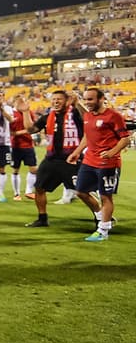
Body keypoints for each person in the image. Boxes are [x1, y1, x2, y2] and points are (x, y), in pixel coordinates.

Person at [24, 89, 101, 229]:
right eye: (53, 99)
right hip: (52, 159)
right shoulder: (48, 117)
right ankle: (42, 218)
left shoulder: (75, 114)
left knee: (82, 192)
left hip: (71, 159)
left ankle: (101, 218)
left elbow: (89, 119)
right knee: (39, 188)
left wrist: (77, 103)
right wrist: (25, 112)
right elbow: (31, 129)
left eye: (59, 99)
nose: (55, 102)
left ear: (66, 101)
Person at [67, 86, 131, 242]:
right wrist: (76, 152)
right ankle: (102, 217)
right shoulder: (88, 116)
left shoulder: (113, 116)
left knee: (105, 197)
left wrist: (112, 152)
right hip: (89, 160)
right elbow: (87, 137)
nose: (88, 102)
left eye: (91, 99)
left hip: (107, 162)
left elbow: (125, 139)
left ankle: (103, 231)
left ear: (101, 99)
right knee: (80, 192)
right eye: (86, 99)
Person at [9, 95, 39, 200]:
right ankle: (16, 194)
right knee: (15, 170)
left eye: (23, 101)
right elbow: (10, 132)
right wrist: (25, 131)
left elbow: (33, 127)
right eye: (20, 101)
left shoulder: (28, 112)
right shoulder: (10, 113)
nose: (22, 103)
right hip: (15, 146)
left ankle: (29, 191)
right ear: (14, 102)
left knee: (33, 169)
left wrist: (29, 130)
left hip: (28, 145)